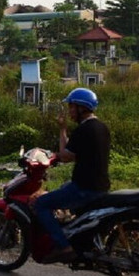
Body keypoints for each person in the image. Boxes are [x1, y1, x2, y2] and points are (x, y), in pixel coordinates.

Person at [32, 87, 111, 264]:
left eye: (71, 107)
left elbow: (66, 156)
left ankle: (63, 246)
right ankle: (74, 233)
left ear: (81, 108)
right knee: (63, 187)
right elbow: (75, 153)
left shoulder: (84, 130)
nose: (70, 111)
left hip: (85, 188)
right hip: (100, 185)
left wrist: (62, 131)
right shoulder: (101, 127)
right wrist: (64, 131)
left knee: (41, 203)